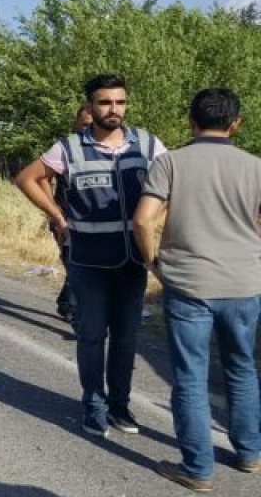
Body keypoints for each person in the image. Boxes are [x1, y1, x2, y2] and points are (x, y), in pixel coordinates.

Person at [14, 73, 166, 439]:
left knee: (126, 338)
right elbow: (26, 179)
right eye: (105, 102)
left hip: (132, 261)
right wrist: (57, 215)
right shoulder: (69, 148)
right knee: (92, 336)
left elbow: (174, 183)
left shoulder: (148, 144)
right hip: (87, 261)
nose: (114, 109)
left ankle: (120, 406)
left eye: (120, 102)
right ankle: (94, 405)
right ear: (91, 106)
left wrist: (156, 220)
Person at [132, 88, 261, 492]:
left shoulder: (170, 163)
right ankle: (250, 453)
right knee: (242, 367)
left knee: (190, 376)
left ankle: (198, 468)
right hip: (244, 283)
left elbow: (143, 220)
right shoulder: (256, 167)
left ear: (191, 121)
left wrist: (152, 261)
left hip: (189, 283)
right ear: (236, 124)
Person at [45, 105, 94, 326]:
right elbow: (40, 178)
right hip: (65, 217)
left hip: (92, 220)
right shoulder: (65, 149)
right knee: (73, 262)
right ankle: (75, 312)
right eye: (84, 125)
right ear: (75, 124)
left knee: (83, 265)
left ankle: (67, 301)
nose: (88, 129)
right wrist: (53, 210)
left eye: (92, 125)